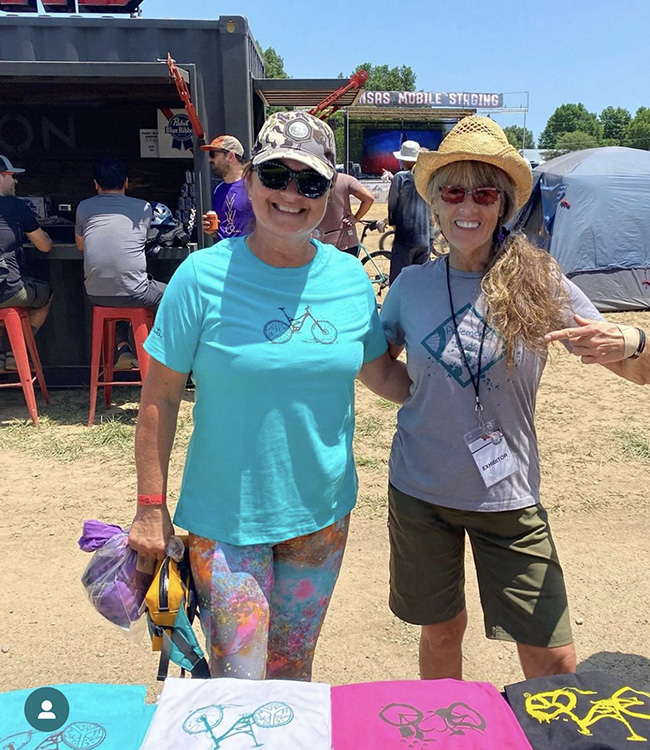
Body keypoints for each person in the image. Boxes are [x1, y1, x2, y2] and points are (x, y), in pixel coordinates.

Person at [128, 111, 410, 682]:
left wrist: (465, 385)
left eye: (309, 182)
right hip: (225, 521)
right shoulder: (200, 277)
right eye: (275, 175)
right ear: (249, 181)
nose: (290, 194)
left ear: (329, 192)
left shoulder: (350, 279)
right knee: (239, 681)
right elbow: (158, 395)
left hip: (322, 516)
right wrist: (150, 509)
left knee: (293, 673)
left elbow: (379, 372)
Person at [380, 116, 650, 683]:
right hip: (420, 492)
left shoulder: (540, 280)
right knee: (441, 632)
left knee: (552, 658)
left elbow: (638, 371)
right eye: (454, 191)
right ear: (435, 202)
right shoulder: (410, 286)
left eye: (484, 193)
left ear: (503, 204)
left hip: (509, 498)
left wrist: (630, 338)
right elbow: (378, 365)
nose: (468, 207)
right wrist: (419, 396)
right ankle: (448, 736)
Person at [75, 158, 166, 369]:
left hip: (96, 293)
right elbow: (142, 238)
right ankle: (158, 359)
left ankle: (123, 348)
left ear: (96, 184)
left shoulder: (84, 207)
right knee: (172, 297)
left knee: (121, 295)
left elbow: (80, 245)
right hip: (135, 291)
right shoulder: (143, 207)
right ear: (126, 183)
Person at [0, 155, 53, 371]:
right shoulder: (14, 206)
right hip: (7, 290)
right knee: (47, 294)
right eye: (11, 176)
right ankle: (16, 349)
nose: (16, 182)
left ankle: (3, 356)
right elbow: (45, 246)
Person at [387, 139, 431, 283]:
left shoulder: (400, 178)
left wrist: (393, 223)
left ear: (404, 160)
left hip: (405, 238)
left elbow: (392, 206)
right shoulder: (426, 179)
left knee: (399, 282)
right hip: (424, 238)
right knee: (421, 282)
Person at [200, 135, 255, 241]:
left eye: (213, 154)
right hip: (224, 255)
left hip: (248, 254)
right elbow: (223, 231)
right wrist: (212, 231)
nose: (209, 159)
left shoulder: (252, 185)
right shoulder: (219, 190)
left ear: (230, 156)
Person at [316, 172, 375, 255]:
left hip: (321, 242)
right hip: (348, 239)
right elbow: (369, 198)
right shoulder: (345, 179)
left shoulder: (310, 181)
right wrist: (356, 218)